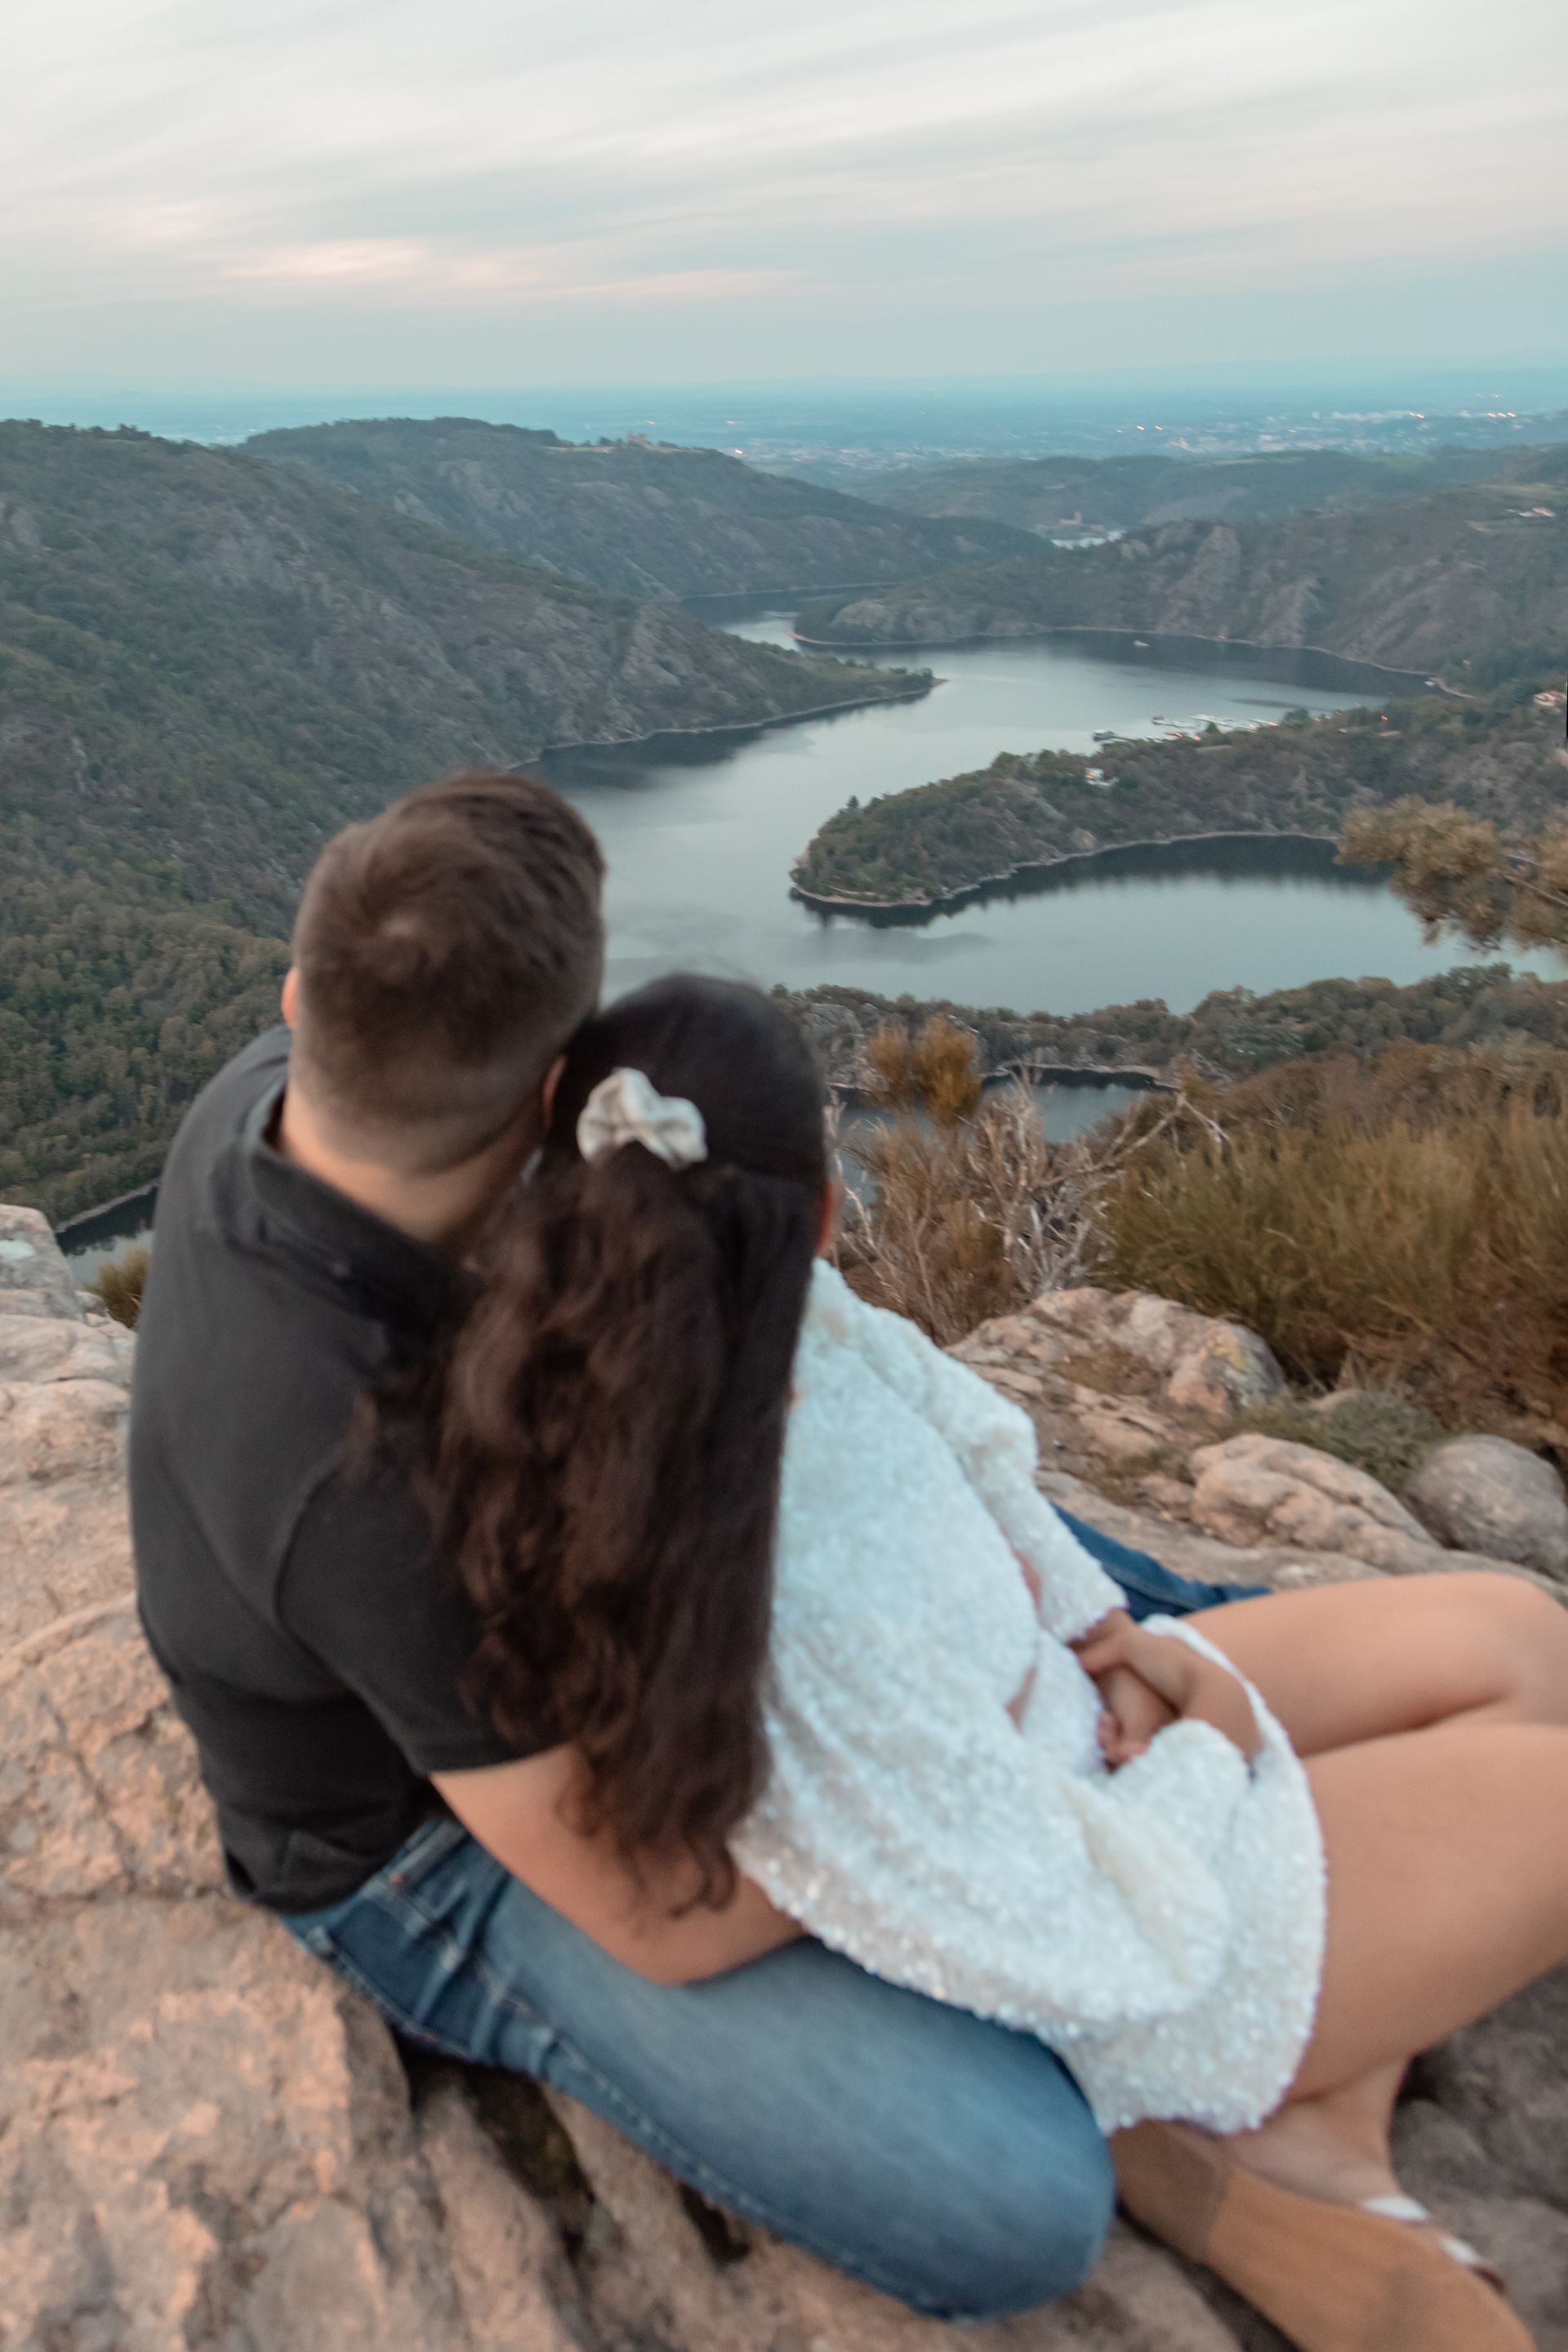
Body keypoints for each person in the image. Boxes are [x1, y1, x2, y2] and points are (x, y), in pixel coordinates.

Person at [131, 769, 1253, 2325]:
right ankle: (1188, 2106)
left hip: (534, 1571)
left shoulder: (295, 1090)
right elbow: (652, 1910)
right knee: (1012, 2199)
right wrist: (978, 1750)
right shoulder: (357, 1477)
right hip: (431, 1845)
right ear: (548, 1104)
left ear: (302, 997)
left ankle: (1171, 1652)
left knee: (1087, 1589)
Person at [418, 971, 1568, 2352]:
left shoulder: (790, 1330)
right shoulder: (732, 1564)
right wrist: (1210, 1752)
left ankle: (1300, 2118)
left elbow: (978, 1452)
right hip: (1096, 1894)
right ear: (827, 1208)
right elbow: (968, 1864)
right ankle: (1218, 2098)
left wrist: (1111, 1638)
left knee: (1521, 1640)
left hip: (1066, 1718)